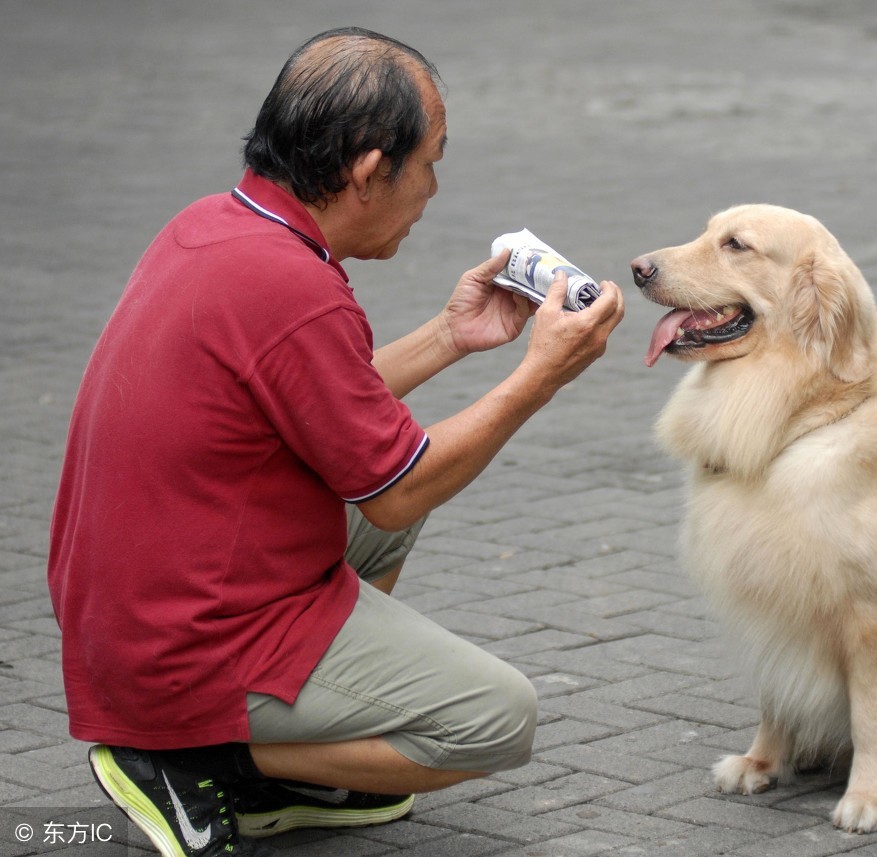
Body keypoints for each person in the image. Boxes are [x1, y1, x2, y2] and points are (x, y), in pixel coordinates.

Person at [47, 26, 624, 857]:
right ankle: (183, 750)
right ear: (365, 172)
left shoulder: (215, 225)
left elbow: (320, 407)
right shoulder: (296, 288)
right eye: (429, 160)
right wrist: (542, 374)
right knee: (496, 718)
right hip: (183, 638)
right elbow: (400, 484)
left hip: (132, 608)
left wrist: (451, 337)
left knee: (390, 495)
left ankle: (263, 767)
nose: (433, 187)